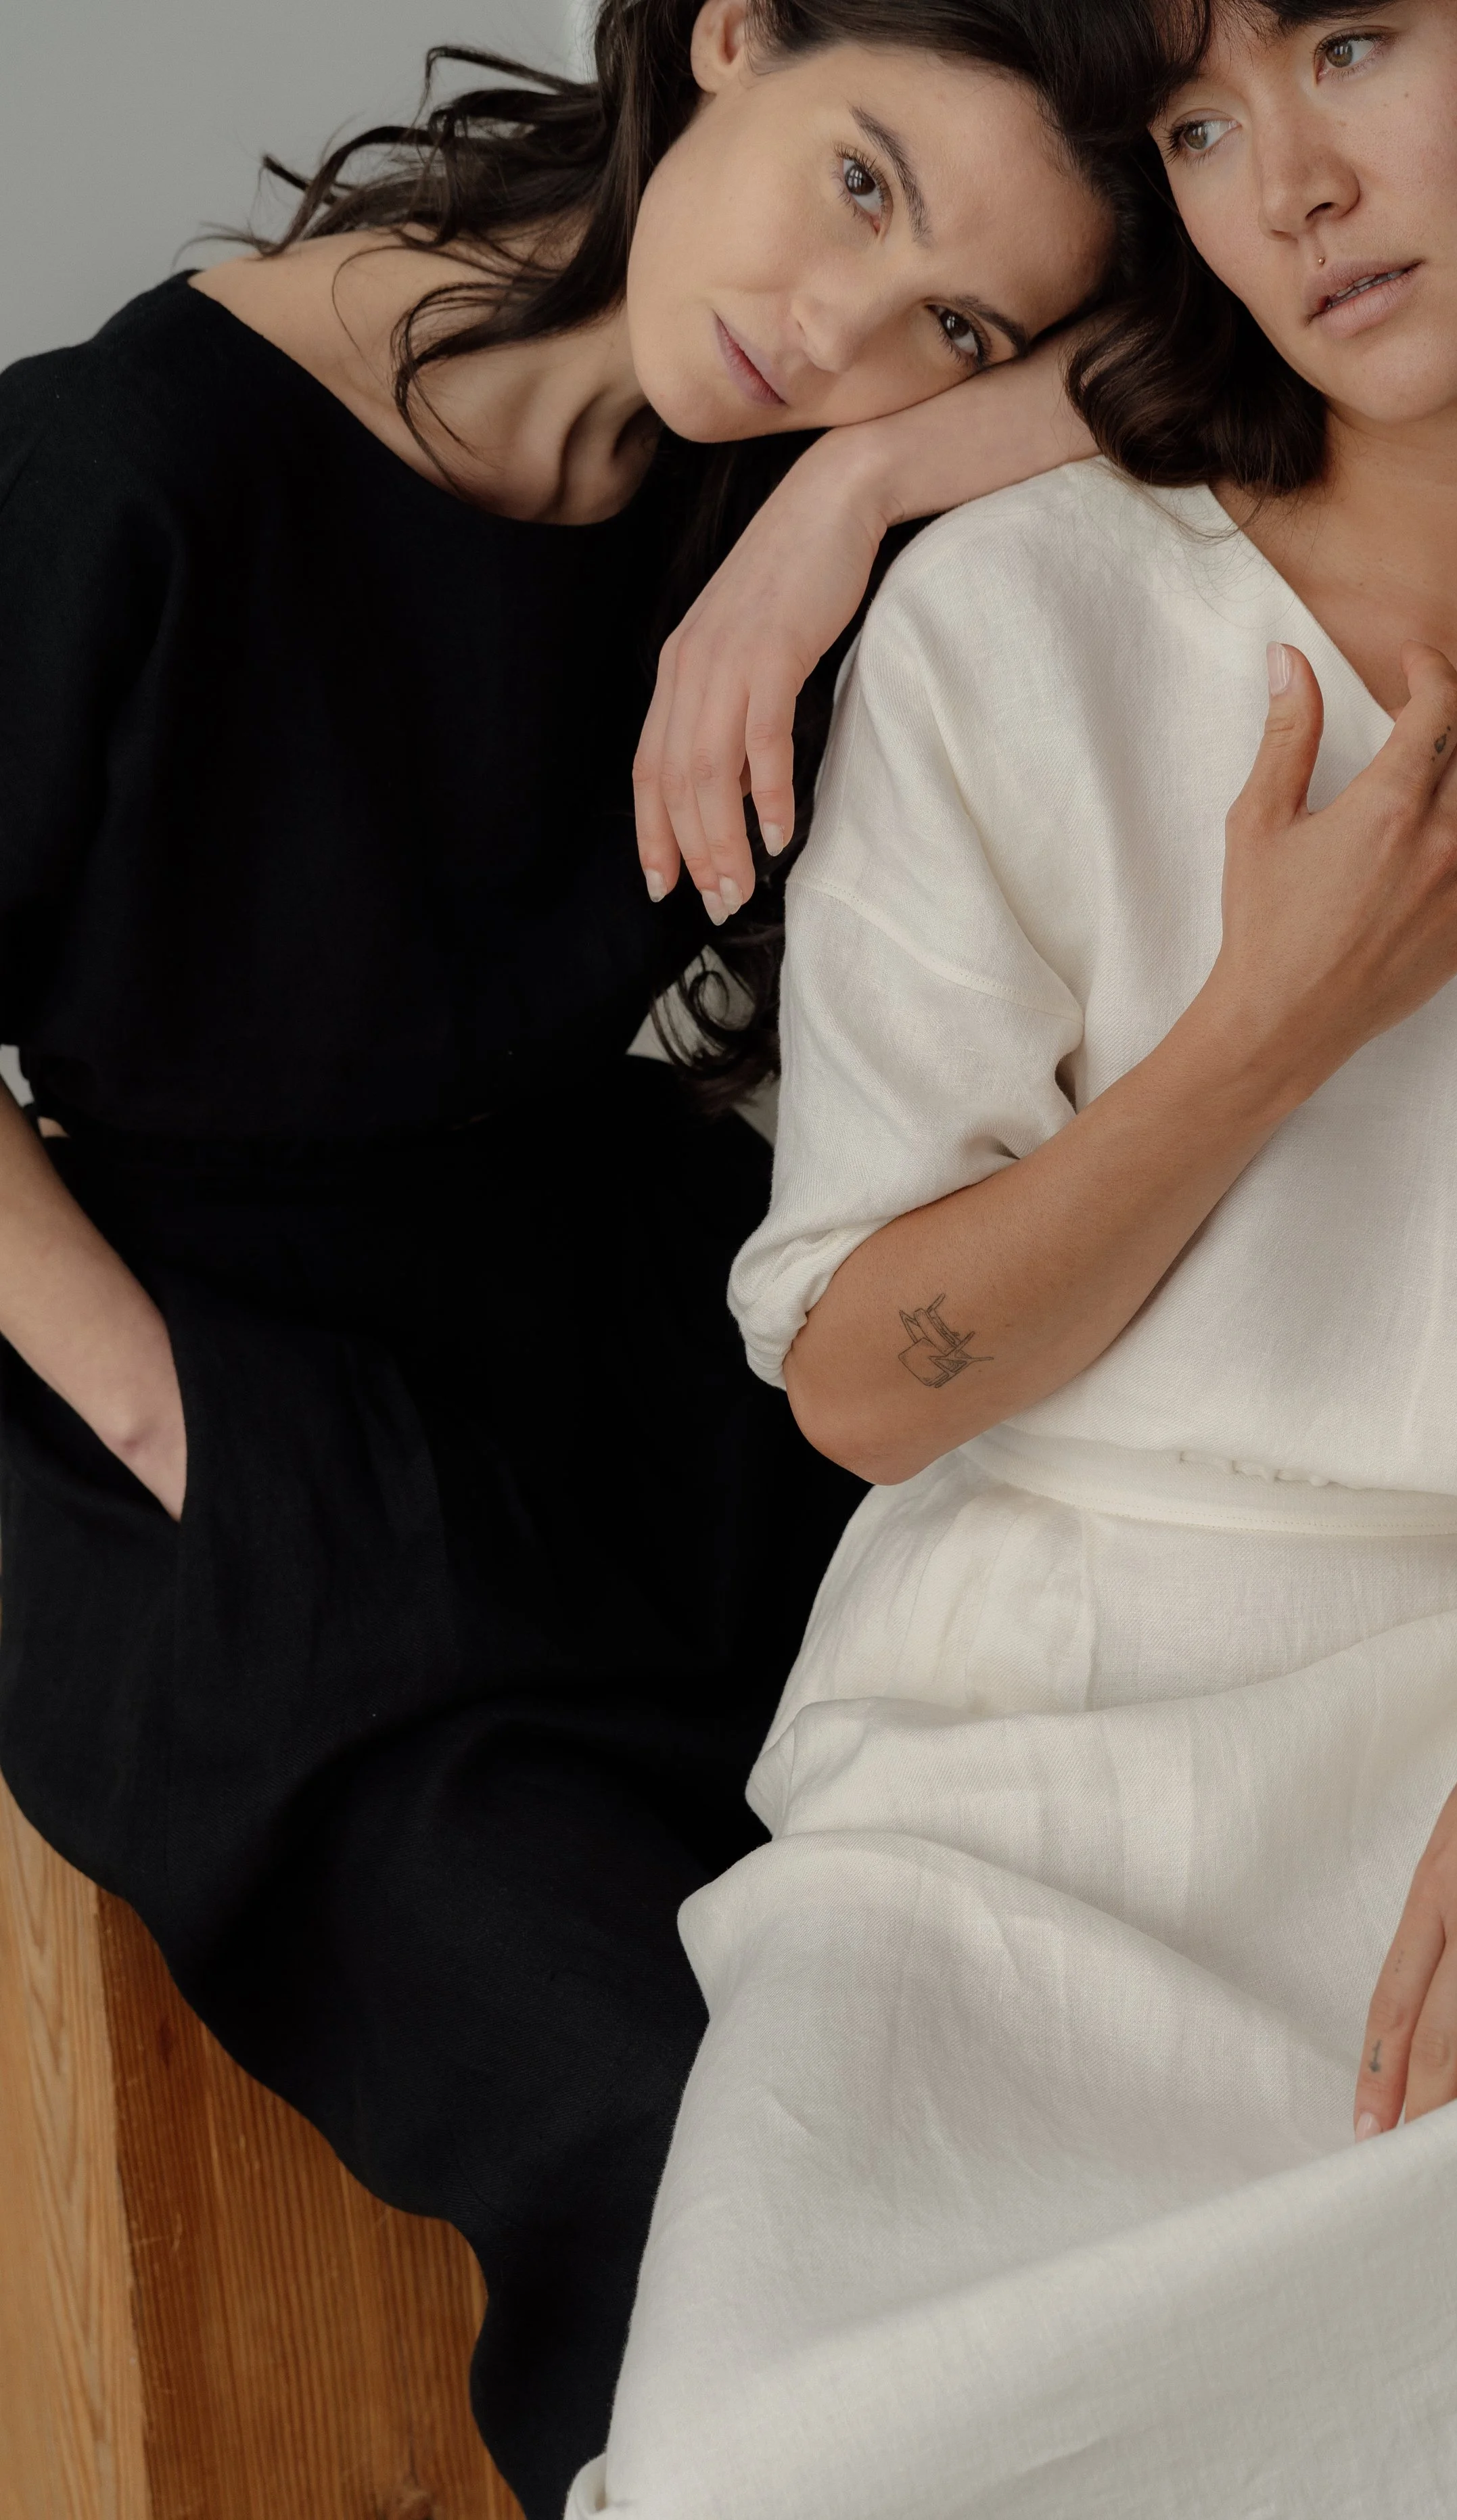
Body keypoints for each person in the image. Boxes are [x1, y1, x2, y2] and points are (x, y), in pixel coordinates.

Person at [0, 4, 1157, 2510]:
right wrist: (166, 1418)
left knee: (1066, 1986)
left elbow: (1256, 355)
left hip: (612, 1327)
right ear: (725, 35)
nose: (842, 332)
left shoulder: (752, 466)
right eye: (858, 182)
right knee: (682, 2132)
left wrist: (850, 499)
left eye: (957, 322)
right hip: (199, 1397)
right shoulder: (128, 462)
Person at [588, 0, 1457, 2512]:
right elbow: (869, 1384)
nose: (1284, 182)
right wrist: (1266, 1026)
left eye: (1352, 45)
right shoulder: (1034, 622)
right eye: (1198, 125)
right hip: (1037, 1787)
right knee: (791, 2463)